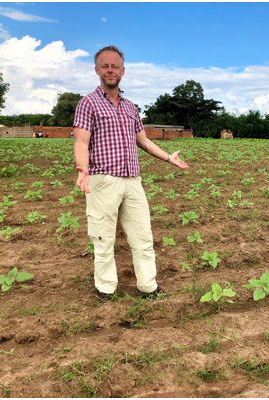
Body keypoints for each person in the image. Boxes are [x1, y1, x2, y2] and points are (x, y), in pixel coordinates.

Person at [73, 45, 189, 301]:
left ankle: (148, 287)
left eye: (115, 66)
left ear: (123, 71)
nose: (110, 70)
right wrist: (82, 169)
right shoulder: (88, 103)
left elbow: (144, 141)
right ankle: (105, 289)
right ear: (97, 70)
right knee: (103, 238)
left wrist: (169, 157)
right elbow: (81, 141)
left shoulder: (130, 107)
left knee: (143, 236)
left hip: (132, 180)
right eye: (105, 66)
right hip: (103, 180)